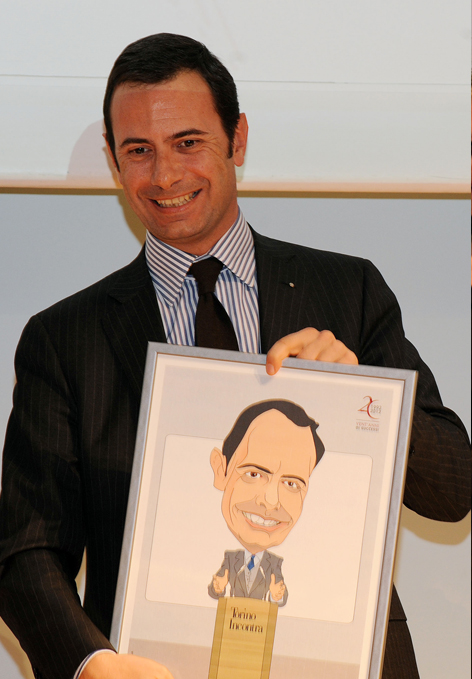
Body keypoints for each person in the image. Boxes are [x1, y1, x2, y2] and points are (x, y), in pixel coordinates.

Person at [0, 33, 469, 679]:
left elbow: (452, 490)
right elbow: (26, 550)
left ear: (238, 140)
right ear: (113, 160)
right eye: (139, 150)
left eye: (188, 142)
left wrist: (368, 398)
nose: (165, 176)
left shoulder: (348, 291)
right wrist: (92, 663)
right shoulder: (63, 339)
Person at [208, 399, 325, 606]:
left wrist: (277, 594)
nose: (271, 502)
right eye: (254, 474)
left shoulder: (277, 565)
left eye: (291, 484)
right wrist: (218, 586)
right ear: (221, 470)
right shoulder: (228, 559)